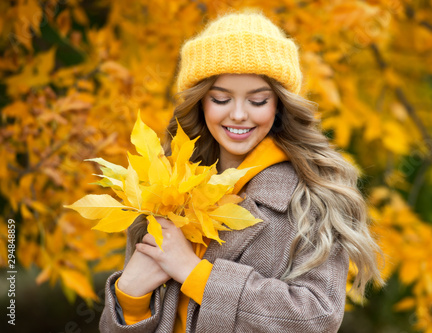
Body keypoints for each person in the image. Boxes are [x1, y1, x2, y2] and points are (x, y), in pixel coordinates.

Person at [99, 9, 384, 333]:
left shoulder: (314, 194)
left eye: (257, 101)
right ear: (201, 103)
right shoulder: (164, 191)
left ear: (279, 105)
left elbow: (317, 317)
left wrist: (194, 273)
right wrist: (131, 300)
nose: (238, 114)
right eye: (221, 98)